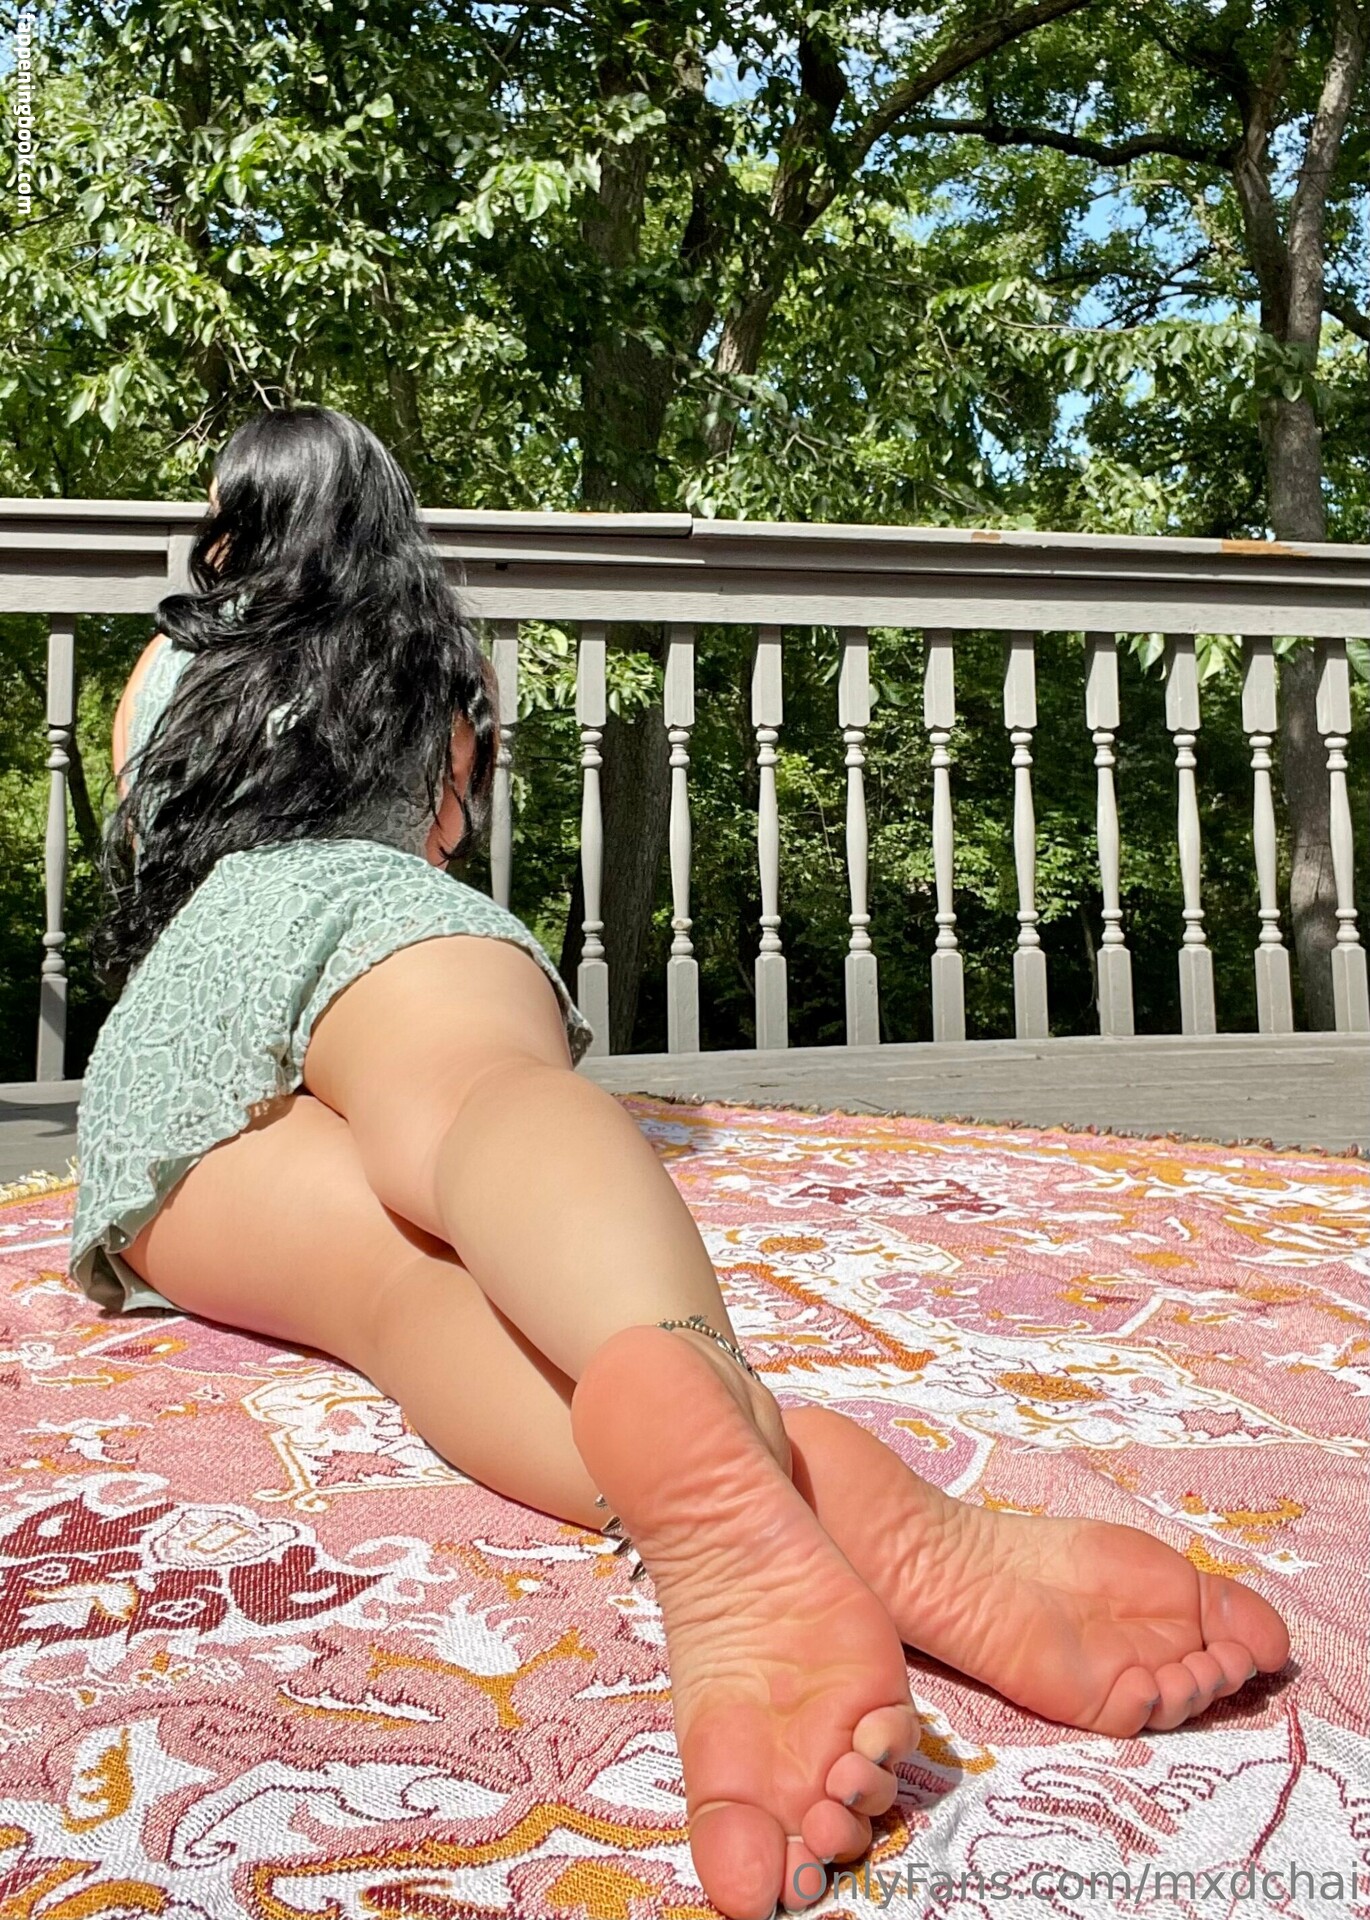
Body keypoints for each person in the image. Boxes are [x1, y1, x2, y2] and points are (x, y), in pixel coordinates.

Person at [72, 407, 1289, 1920]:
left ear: (234, 519)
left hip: (187, 1012)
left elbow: (148, 844)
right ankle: (709, 1404)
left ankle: (719, 1497)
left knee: (397, 1303)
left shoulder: (172, 664)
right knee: (471, 1105)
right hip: (375, 914)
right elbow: (434, 847)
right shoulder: (438, 669)